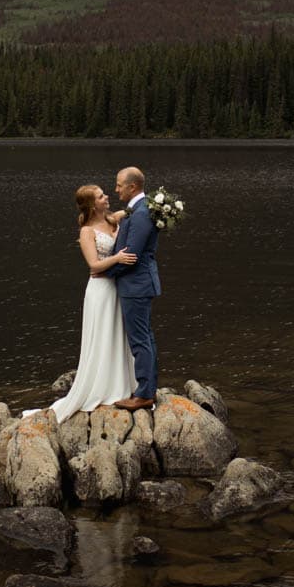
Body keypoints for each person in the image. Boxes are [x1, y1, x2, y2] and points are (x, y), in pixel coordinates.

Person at [49, 184, 139, 422]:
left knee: (119, 333)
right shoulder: (87, 232)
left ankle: (124, 382)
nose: (107, 196)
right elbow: (94, 266)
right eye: (101, 196)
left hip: (117, 287)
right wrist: (118, 258)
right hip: (100, 290)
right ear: (91, 204)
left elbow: (136, 209)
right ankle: (102, 386)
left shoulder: (114, 219)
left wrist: (160, 207)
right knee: (102, 335)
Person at [107, 166, 161, 411]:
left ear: (132, 187)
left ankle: (144, 394)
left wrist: (104, 271)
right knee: (145, 337)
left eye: (119, 185)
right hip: (138, 284)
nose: (116, 189)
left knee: (140, 339)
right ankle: (147, 388)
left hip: (136, 285)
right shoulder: (139, 208)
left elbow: (132, 256)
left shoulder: (140, 213)